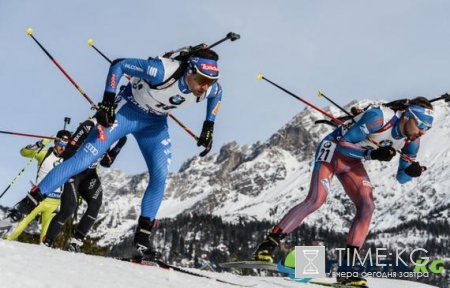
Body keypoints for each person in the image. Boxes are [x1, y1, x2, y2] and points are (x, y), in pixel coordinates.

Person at [23, 48, 223, 261]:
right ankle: (27, 204)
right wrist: (108, 101)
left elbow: (218, 94)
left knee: (160, 175)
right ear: (190, 71)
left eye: (211, 81)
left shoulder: (209, 88)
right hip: (128, 110)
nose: (205, 86)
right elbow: (118, 64)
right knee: (84, 160)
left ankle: (142, 240)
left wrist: (208, 126)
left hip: (154, 124)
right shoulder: (161, 71)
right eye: (202, 79)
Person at [251, 97, 434, 286]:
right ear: (408, 116)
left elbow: (402, 178)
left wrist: (412, 172)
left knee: (367, 206)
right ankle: (266, 246)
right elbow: (343, 144)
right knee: (317, 199)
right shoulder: (379, 118)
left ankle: (347, 270)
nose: (422, 131)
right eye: (421, 125)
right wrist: (371, 154)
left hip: (353, 161)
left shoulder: (412, 141)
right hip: (332, 150)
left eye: (427, 128)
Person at [42, 117, 127, 252]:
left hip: (89, 175)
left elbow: (106, 163)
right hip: (74, 172)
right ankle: (48, 241)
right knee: (69, 208)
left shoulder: (120, 136)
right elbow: (68, 152)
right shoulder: (89, 126)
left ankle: (76, 242)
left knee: (95, 204)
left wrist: (113, 152)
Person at [0, 130, 71, 241]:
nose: (63, 148)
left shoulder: (69, 160)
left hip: (55, 203)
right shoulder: (44, 154)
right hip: (38, 199)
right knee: (15, 229)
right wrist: (39, 144)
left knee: (46, 240)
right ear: (55, 142)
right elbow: (23, 152)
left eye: (66, 145)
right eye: (60, 144)